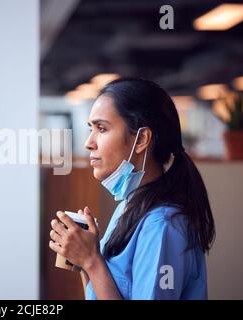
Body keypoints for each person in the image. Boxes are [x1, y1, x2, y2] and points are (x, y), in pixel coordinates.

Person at [49, 78, 215, 300]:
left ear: (141, 139)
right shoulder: (130, 206)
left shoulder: (162, 226)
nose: (89, 142)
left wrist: (92, 261)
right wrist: (86, 260)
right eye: (91, 129)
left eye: (101, 128)